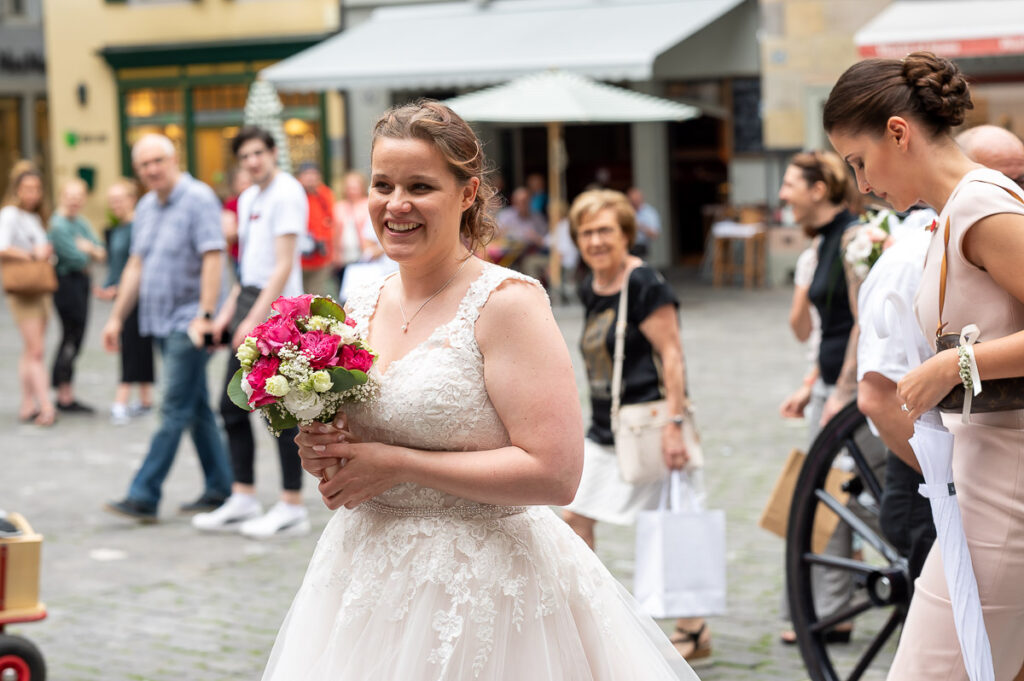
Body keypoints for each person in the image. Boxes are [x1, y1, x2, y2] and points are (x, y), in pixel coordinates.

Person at [260, 100, 699, 681]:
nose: (396, 205)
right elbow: (361, 442)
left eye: (420, 186)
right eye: (382, 184)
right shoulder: (359, 302)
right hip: (362, 577)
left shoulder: (506, 303)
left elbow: (555, 472)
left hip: (484, 586)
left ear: (467, 194)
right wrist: (324, 452)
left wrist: (396, 464)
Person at [825, 50, 1024, 680]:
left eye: (858, 161)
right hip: (982, 481)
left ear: (898, 133)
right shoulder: (953, 214)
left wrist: (955, 367)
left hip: (1003, 492)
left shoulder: (979, 207)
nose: (861, 184)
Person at [559, 188, 709, 662]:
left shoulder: (644, 284)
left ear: (626, 233)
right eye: (586, 232)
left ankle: (693, 626)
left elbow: (672, 354)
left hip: (649, 424)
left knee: (670, 518)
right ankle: (594, 621)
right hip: (606, 429)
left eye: (605, 230)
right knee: (574, 519)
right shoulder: (591, 286)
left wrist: (674, 422)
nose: (595, 241)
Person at [102, 133, 233, 523]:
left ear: (174, 158)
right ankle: (221, 488)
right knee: (194, 408)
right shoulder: (145, 206)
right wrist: (115, 317)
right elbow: (136, 265)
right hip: (156, 320)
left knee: (172, 406)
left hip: (188, 322)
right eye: (143, 165)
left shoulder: (198, 199)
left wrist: (207, 315)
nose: (151, 170)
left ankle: (144, 494)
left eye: (157, 161)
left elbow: (213, 256)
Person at [193, 126, 311, 539]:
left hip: (278, 307)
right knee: (231, 407)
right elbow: (247, 271)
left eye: (258, 153)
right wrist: (228, 314)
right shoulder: (246, 199)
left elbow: (282, 265)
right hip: (250, 301)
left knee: (277, 409)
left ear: (273, 152)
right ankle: (242, 496)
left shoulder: (288, 191)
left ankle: (292, 504)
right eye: (245, 156)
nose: (252, 161)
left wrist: (254, 320)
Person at [775, 150, 863, 644]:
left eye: (790, 184)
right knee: (828, 493)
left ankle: (835, 608)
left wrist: (841, 392)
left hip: (851, 392)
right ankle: (831, 609)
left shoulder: (853, 238)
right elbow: (812, 329)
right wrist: (814, 385)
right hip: (832, 386)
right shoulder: (823, 244)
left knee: (844, 494)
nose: (783, 195)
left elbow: (858, 324)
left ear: (818, 189)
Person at [0, 163, 56, 427]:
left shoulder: (35, 217)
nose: (33, 194)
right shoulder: (10, 214)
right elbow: (2, 247)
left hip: (39, 286)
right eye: (27, 188)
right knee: (36, 350)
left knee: (30, 349)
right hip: (23, 289)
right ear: (17, 190)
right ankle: (45, 406)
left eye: (36, 188)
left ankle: (27, 402)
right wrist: (31, 254)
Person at [96, 178, 154, 425]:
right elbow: (115, 265)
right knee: (136, 346)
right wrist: (109, 286)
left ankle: (121, 400)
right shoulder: (118, 228)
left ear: (132, 200)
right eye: (112, 201)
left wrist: (119, 288)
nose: (115, 205)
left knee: (131, 347)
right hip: (121, 295)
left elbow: (139, 265)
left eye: (119, 200)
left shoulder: (137, 228)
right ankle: (144, 399)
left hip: (136, 297)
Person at [49, 178, 106, 414]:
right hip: (67, 285)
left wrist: (90, 249)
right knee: (71, 336)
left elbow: (101, 252)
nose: (74, 201)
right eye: (70, 196)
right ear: (62, 196)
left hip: (80, 284)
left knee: (77, 336)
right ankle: (63, 394)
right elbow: (76, 258)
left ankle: (66, 392)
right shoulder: (58, 225)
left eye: (78, 197)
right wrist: (89, 252)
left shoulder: (80, 222)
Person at [296, 162, 337, 297]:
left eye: (314, 174)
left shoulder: (325, 194)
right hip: (297, 259)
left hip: (320, 257)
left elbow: (332, 221)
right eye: (307, 174)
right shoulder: (294, 194)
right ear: (300, 177)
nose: (310, 178)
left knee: (316, 298)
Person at [221, 166, 253, 277]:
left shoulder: (259, 201)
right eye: (243, 183)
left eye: (249, 182)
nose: (247, 186)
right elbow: (229, 233)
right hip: (239, 255)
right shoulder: (231, 204)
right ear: (235, 185)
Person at [627, 187, 662, 258]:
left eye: (636, 200)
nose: (634, 202)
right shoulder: (625, 211)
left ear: (641, 198)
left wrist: (640, 226)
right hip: (626, 246)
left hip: (641, 246)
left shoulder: (650, 212)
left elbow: (655, 234)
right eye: (632, 200)